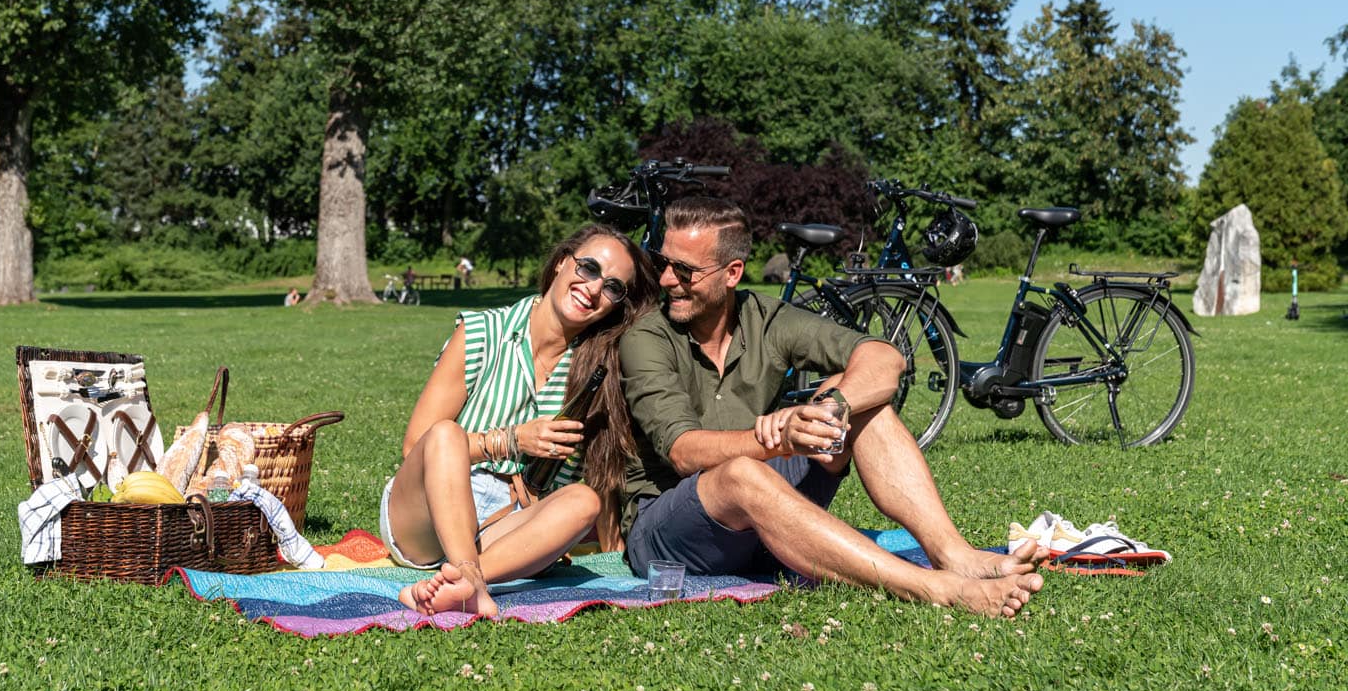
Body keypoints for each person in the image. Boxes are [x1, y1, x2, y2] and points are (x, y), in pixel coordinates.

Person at [619, 197, 1044, 619]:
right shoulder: (648, 337)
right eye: (663, 264)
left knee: (859, 395)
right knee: (740, 474)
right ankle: (932, 587)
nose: (667, 280)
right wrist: (781, 439)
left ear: (732, 274)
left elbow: (885, 358)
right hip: (667, 531)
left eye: (685, 270)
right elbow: (683, 452)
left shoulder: (764, 318)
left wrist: (833, 408)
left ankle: (953, 554)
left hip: (760, 518)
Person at [384, 223, 659, 618]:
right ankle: (468, 578)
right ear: (563, 263)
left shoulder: (599, 370)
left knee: (584, 500)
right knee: (445, 434)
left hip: (506, 526)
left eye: (614, 287)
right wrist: (512, 441)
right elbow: (416, 446)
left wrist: (613, 559)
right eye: (589, 268)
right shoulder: (482, 332)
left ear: (618, 304)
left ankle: (466, 584)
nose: (595, 288)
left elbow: (603, 474)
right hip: (427, 511)